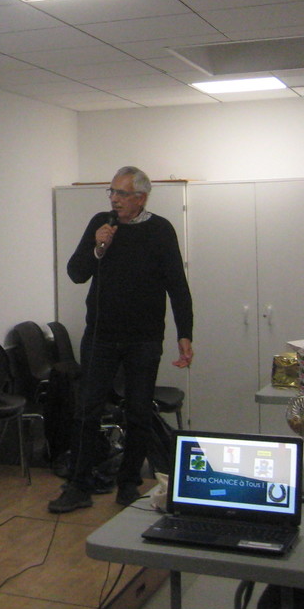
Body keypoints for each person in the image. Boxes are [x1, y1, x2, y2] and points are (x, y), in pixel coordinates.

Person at [49, 166, 193, 512]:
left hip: (144, 338)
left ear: (140, 198)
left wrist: (185, 334)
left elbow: (177, 284)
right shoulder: (102, 224)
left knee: (139, 412)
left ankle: (128, 484)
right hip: (101, 336)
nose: (114, 199)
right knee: (87, 411)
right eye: (112, 192)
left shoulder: (160, 230)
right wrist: (99, 247)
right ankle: (78, 486)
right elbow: (76, 273)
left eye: (121, 193)